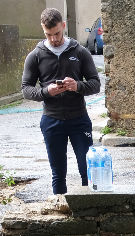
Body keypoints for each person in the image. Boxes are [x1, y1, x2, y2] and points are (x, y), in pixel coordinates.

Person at [21, 8, 101, 196]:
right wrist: (46, 91)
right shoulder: (36, 55)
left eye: (57, 33)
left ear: (63, 26)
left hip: (78, 118)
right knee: (58, 173)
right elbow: (25, 89)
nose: (54, 39)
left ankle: (89, 214)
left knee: (86, 169)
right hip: (52, 120)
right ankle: (59, 210)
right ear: (43, 31)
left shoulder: (80, 52)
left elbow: (96, 84)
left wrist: (77, 86)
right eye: (48, 35)